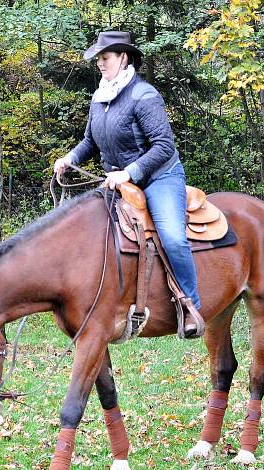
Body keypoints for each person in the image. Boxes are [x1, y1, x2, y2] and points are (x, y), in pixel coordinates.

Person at [53, 30, 205, 338]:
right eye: (98, 58)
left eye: (105, 57)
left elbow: (163, 145)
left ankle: (190, 305)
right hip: (118, 183)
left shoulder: (144, 95)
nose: (100, 63)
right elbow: (89, 141)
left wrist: (129, 172)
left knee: (173, 238)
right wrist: (69, 158)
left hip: (159, 178)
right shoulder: (100, 97)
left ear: (123, 57)